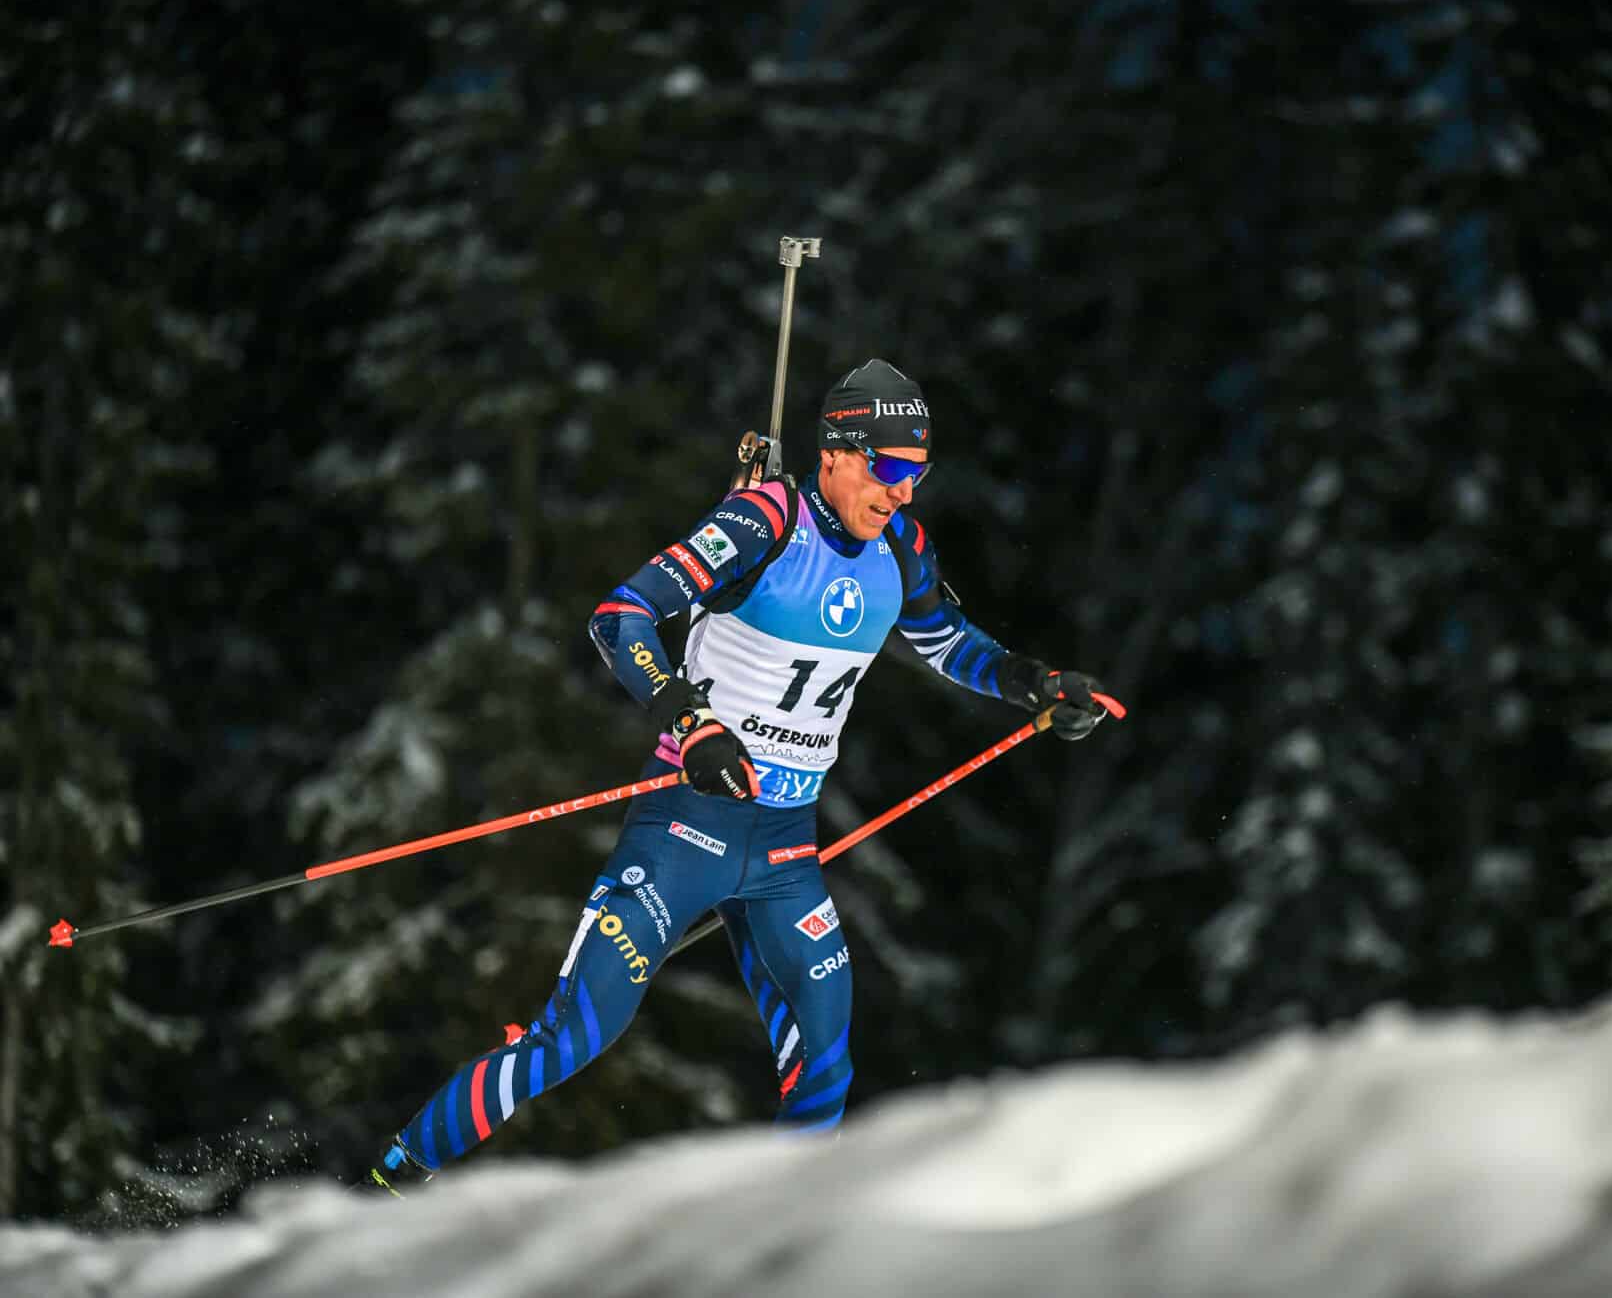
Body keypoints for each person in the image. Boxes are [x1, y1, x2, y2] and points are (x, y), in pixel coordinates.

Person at [362, 358, 1110, 1193]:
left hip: (785, 850)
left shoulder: (902, 547)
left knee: (825, 1062)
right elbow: (621, 616)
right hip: (687, 825)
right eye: (888, 468)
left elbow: (949, 642)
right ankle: (388, 1183)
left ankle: (780, 1239)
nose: (901, 492)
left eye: (918, 474)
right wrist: (692, 721)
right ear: (836, 452)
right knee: (573, 1038)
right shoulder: (766, 520)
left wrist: (1034, 682)